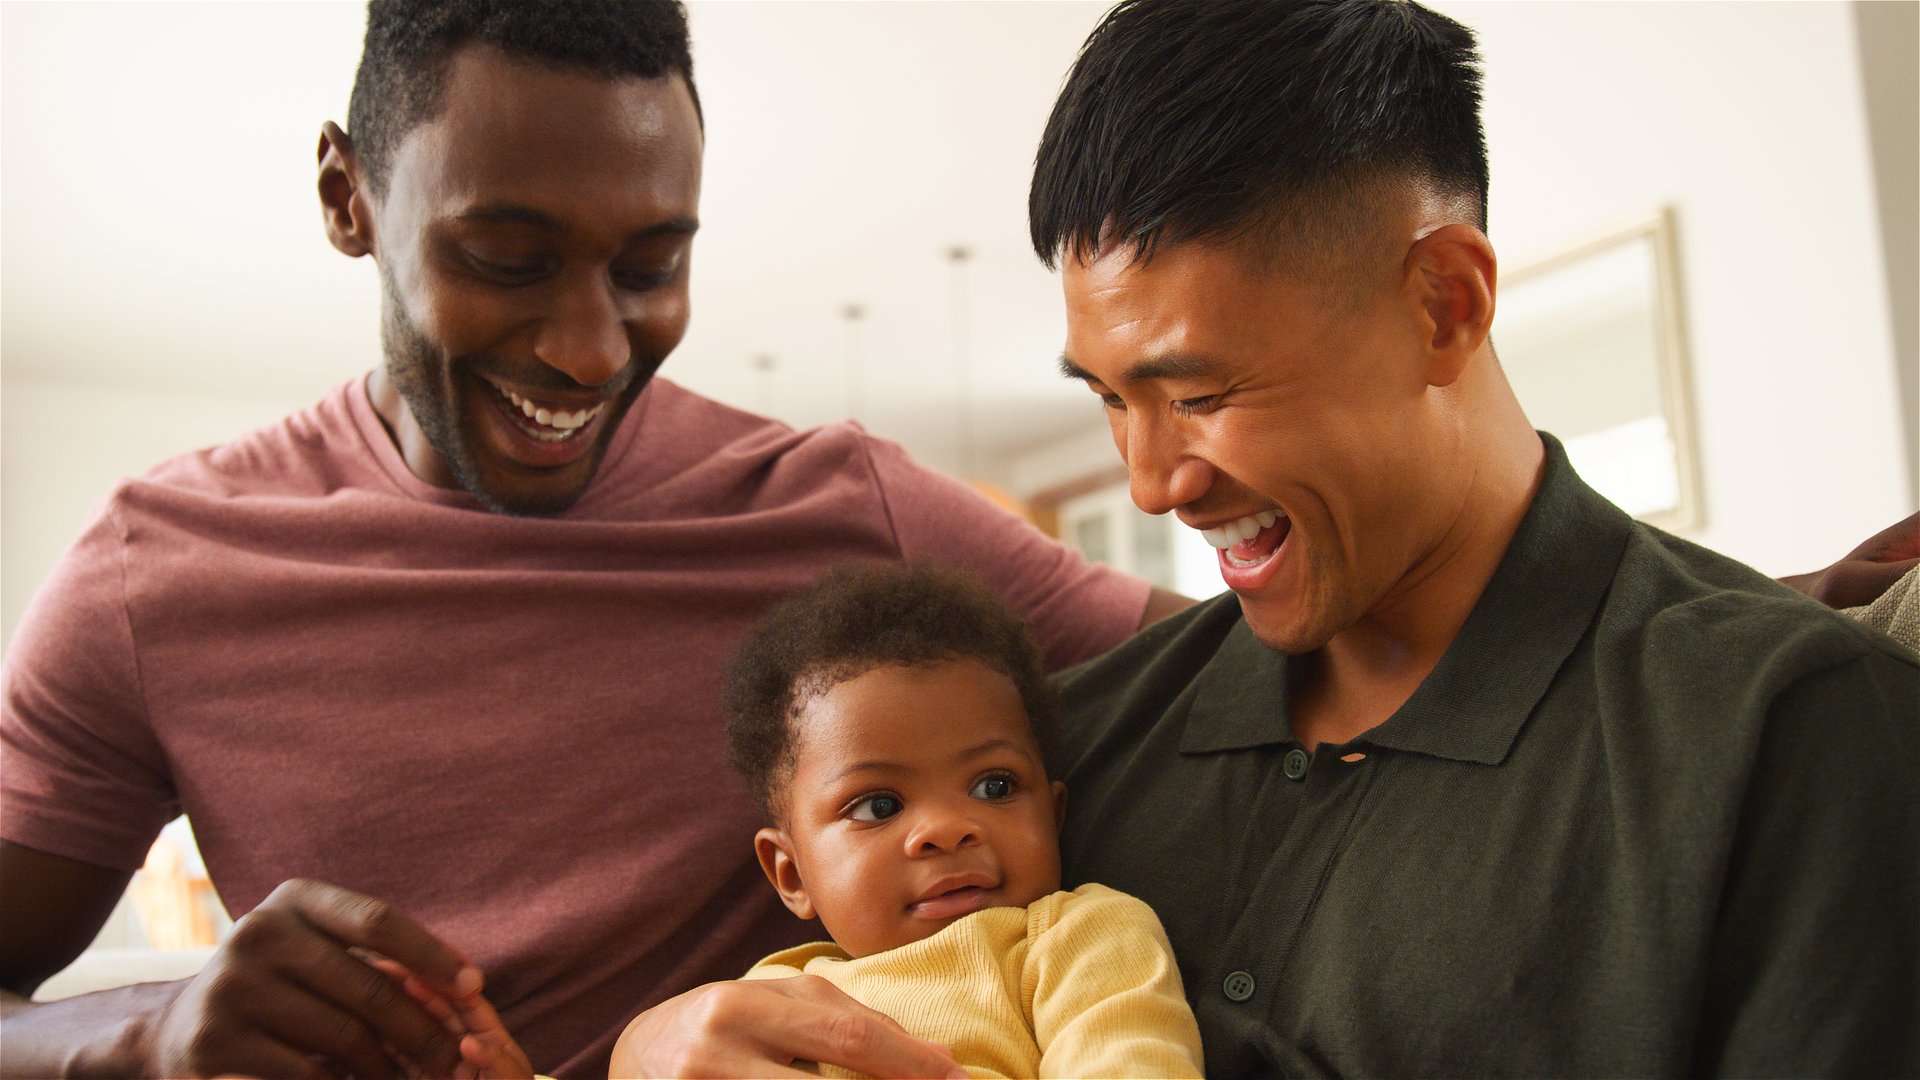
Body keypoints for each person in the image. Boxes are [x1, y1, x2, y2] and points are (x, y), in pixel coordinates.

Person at [620, 0, 1919, 1075]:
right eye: (1109, 399)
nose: (1149, 483)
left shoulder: (1788, 733)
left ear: (1445, 306)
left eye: (1200, 393)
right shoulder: (1064, 747)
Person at [0, 4, 1187, 1077]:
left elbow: (1253, 678)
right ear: (345, 195)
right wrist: (143, 1035)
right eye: (505, 259)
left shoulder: (841, 506)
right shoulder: (151, 574)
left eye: (650, 267)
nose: (590, 350)